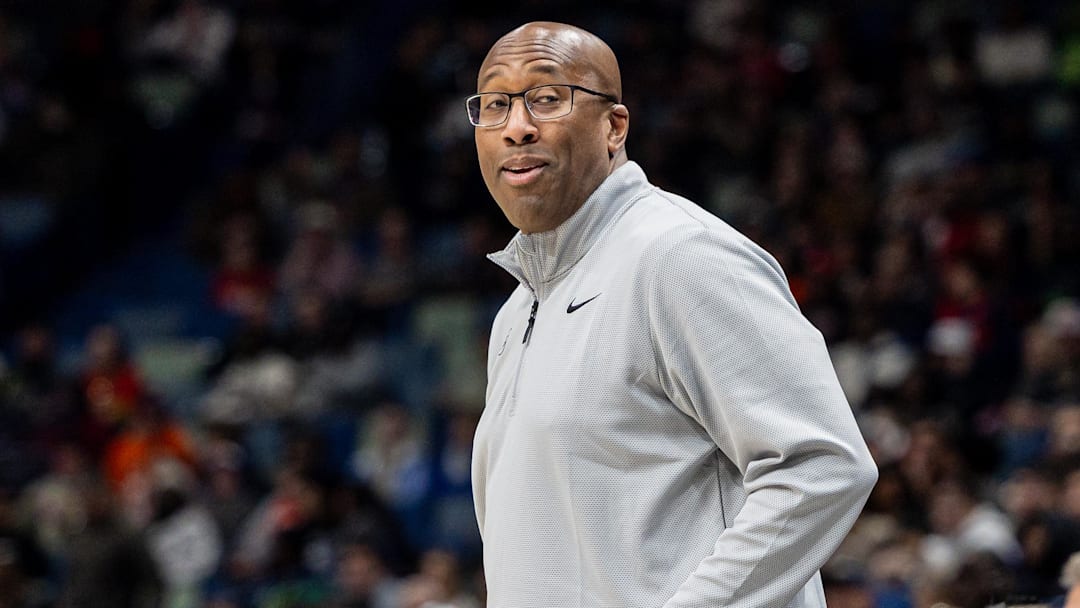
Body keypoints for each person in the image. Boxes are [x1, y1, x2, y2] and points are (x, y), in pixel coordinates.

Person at [467, 21, 878, 607]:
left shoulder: (677, 253)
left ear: (614, 126)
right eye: (495, 104)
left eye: (546, 98)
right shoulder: (516, 312)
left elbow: (822, 465)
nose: (517, 127)